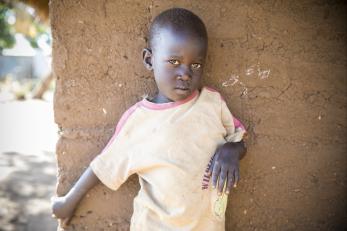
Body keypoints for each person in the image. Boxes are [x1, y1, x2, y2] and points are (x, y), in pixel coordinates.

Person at [51, 7, 247, 231]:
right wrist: (68, 203)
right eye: (174, 61)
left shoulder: (212, 103)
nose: (185, 73)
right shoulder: (139, 120)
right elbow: (104, 166)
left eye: (196, 65)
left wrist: (232, 150)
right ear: (149, 59)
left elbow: (239, 139)